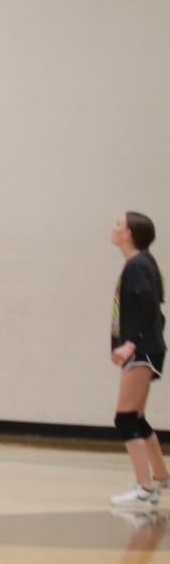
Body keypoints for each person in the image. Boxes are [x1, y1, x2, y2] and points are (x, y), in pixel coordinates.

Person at [107, 211, 168, 511]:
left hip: (142, 350)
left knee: (125, 418)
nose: (113, 227)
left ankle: (145, 488)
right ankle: (161, 476)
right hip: (149, 348)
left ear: (129, 232)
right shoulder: (142, 264)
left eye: (118, 223)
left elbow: (148, 309)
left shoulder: (138, 266)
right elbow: (158, 312)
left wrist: (130, 344)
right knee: (137, 418)